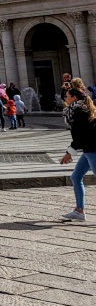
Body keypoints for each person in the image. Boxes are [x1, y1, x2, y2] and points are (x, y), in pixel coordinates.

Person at [60, 85, 96, 221]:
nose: (65, 98)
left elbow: (79, 136)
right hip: (88, 149)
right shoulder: (80, 109)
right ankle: (79, 211)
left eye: (67, 96)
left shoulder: (78, 111)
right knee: (75, 177)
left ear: (74, 98)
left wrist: (69, 153)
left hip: (93, 149)